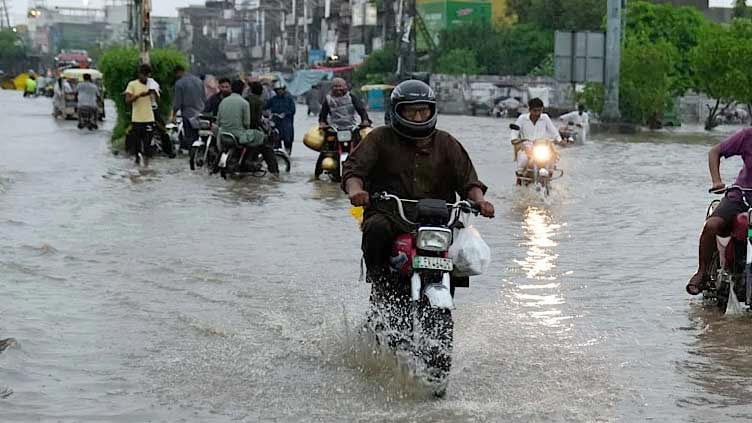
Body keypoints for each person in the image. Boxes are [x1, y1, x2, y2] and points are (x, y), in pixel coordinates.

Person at [342, 80, 495, 284]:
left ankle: (448, 285)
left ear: (432, 111)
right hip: (391, 214)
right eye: (411, 112)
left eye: (423, 111)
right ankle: (379, 284)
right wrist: (356, 191)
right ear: (397, 111)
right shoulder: (379, 138)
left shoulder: (446, 142)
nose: (418, 117)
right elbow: (353, 170)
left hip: (438, 219)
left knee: (461, 249)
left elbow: (469, 180)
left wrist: (481, 201)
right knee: (375, 228)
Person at [687, 128, 752, 295]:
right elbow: (715, 151)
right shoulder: (747, 136)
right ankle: (702, 273)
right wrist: (717, 181)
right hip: (741, 196)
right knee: (712, 225)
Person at [217, 80, 279, 176]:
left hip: (224, 134)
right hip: (238, 135)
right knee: (264, 141)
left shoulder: (223, 101)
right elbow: (247, 123)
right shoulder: (244, 103)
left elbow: (218, 121)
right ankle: (272, 172)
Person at [510, 98, 562, 173]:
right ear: (530, 110)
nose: (537, 113)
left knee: (551, 160)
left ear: (542, 110)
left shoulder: (545, 118)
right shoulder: (522, 118)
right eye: (535, 111)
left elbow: (554, 132)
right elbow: (514, 133)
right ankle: (520, 177)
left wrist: (560, 140)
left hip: (542, 146)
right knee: (522, 160)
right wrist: (515, 140)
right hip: (526, 147)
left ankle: (549, 178)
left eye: (539, 111)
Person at [125, 64, 157, 165]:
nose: (144, 78)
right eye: (143, 75)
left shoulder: (152, 84)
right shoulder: (132, 85)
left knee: (147, 145)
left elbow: (158, 99)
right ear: (139, 74)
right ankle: (137, 161)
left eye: (146, 76)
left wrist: (153, 93)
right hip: (137, 119)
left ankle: (146, 165)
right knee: (137, 144)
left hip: (149, 119)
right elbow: (127, 100)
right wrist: (138, 95)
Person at [172, 64, 206, 151]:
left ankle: (192, 154)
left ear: (178, 72)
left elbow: (177, 102)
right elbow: (204, 97)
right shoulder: (199, 81)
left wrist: (174, 115)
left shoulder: (179, 83)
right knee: (201, 135)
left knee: (190, 137)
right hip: (201, 113)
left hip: (188, 113)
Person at [265, 81, 296, 155]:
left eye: (281, 89)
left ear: (283, 89)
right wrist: (269, 114)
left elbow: (293, 110)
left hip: (286, 121)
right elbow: (265, 106)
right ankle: (278, 154)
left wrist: (285, 114)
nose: (279, 91)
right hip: (276, 121)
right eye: (277, 90)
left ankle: (288, 152)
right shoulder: (273, 99)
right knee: (276, 138)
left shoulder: (289, 98)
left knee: (287, 139)